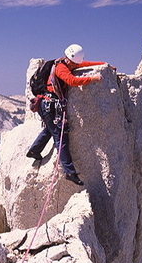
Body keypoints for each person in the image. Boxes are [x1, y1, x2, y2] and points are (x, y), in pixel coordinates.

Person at [26, 44, 107, 186]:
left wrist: (104, 65)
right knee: (61, 138)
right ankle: (69, 172)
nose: (77, 65)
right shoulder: (61, 68)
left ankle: (34, 150)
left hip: (46, 105)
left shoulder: (65, 62)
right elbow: (72, 81)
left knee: (50, 130)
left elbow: (84, 64)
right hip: (49, 106)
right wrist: (94, 78)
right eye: (76, 63)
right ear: (71, 60)